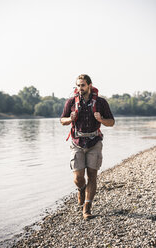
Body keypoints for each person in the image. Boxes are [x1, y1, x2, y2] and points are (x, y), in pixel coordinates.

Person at [60, 74, 115, 220]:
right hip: (77, 143)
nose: (80, 88)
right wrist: (69, 119)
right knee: (78, 178)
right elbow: (62, 120)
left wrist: (101, 119)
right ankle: (81, 189)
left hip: (94, 143)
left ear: (89, 85)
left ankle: (87, 208)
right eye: (78, 85)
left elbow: (111, 122)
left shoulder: (101, 102)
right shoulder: (71, 102)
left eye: (82, 85)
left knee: (92, 176)